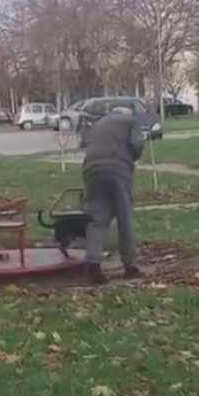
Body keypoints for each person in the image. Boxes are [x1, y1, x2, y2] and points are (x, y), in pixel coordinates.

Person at [82, 105, 145, 284]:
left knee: (97, 219)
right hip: (118, 171)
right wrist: (130, 158)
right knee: (124, 218)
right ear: (127, 114)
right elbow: (137, 144)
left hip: (91, 171)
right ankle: (130, 267)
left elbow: (84, 142)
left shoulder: (98, 123)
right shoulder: (130, 121)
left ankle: (93, 266)